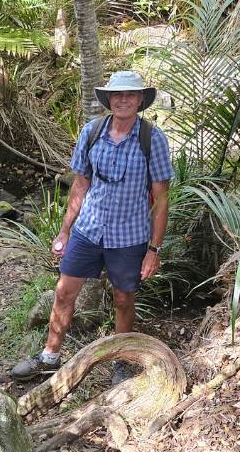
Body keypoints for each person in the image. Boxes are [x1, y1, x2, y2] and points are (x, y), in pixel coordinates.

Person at [11, 70, 174, 384]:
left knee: (124, 299)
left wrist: (154, 250)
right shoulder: (92, 132)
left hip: (129, 235)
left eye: (130, 94)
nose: (123, 100)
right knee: (63, 293)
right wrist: (64, 230)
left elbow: (161, 198)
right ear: (109, 99)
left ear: (141, 100)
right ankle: (49, 357)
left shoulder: (152, 138)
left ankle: (122, 362)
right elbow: (80, 186)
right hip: (89, 230)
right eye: (117, 95)